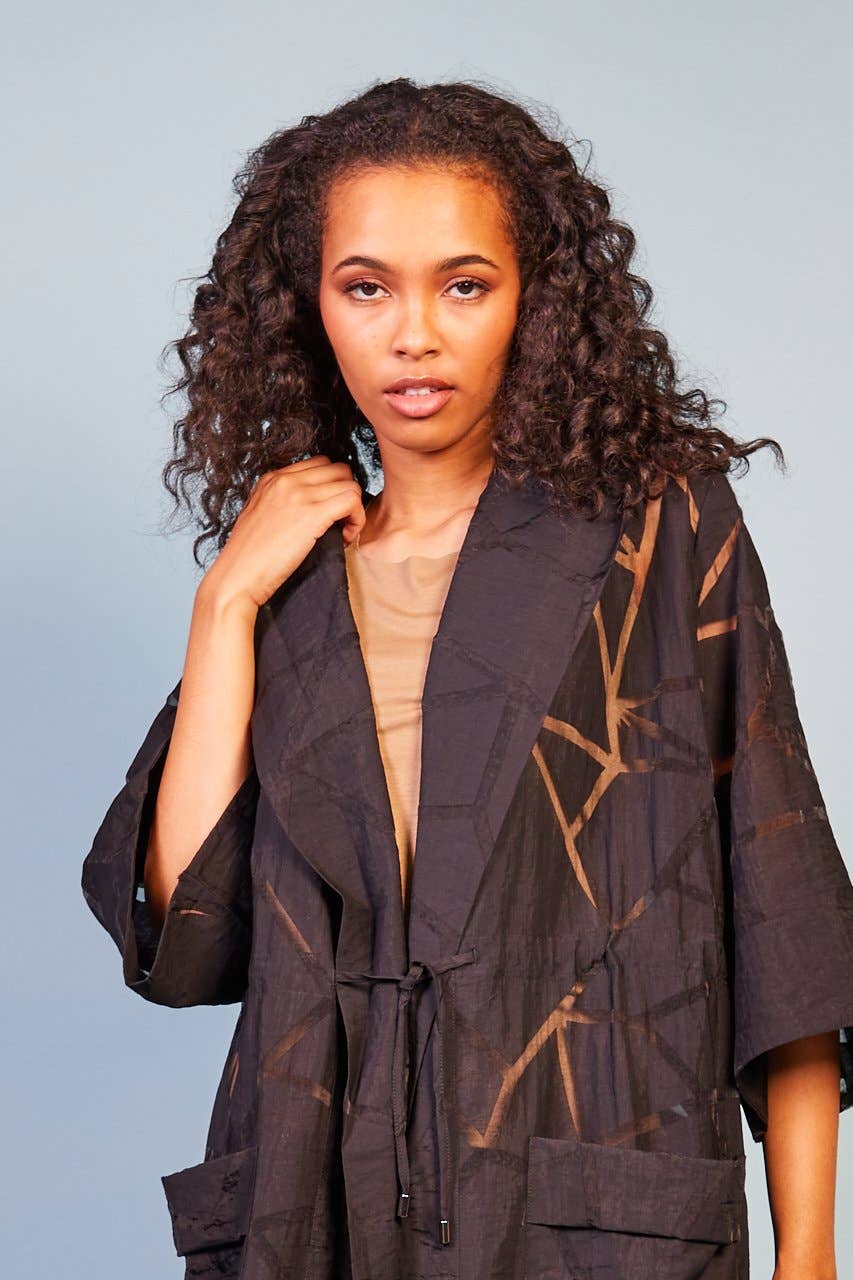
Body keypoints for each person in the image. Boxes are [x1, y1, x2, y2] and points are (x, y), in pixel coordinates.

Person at [82, 77, 853, 1280]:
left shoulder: (659, 532)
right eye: (365, 286)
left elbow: (783, 912)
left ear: (533, 299)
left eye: (463, 284)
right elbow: (190, 933)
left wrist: (810, 1254)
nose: (413, 335)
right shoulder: (290, 582)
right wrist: (223, 603)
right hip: (317, 1212)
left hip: (596, 1218)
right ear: (308, 306)